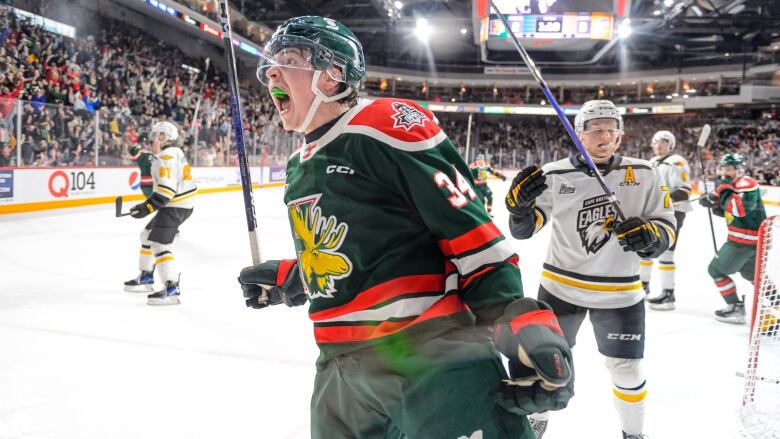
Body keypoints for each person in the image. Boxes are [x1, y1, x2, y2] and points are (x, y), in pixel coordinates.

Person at [236, 16, 574, 439]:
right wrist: (294, 277)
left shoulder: (385, 123)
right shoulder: (299, 162)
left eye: (288, 59)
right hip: (340, 368)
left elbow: (472, 236)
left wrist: (520, 317)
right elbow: (363, 250)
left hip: (431, 354)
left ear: (333, 75)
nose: (271, 73)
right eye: (269, 65)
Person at [505, 100, 677, 439]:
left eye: (613, 130)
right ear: (578, 134)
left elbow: (666, 224)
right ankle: (535, 425)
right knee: (545, 363)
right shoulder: (554, 174)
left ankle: (633, 433)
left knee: (626, 369)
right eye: (597, 129)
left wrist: (652, 235)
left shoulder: (643, 172)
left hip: (620, 292)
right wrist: (519, 209)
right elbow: (525, 230)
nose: (606, 136)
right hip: (560, 290)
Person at [123, 121, 197, 305]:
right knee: (146, 235)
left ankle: (171, 288)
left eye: (160, 135)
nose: (154, 139)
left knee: (158, 244)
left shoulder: (166, 157)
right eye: (154, 135)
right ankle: (146, 276)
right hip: (179, 204)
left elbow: (166, 190)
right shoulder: (174, 152)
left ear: (168, 138)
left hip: (176, 205)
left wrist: (146, 207)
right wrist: (146, 206)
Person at [699, 153, 767, 324]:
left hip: (743, 242)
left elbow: (738, 209)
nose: (725, 172)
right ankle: (777, 305)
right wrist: (715, 206)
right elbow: (731, 213)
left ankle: (736, 308)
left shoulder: (746, 183)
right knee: (753, 276)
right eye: (723, 168)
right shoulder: (735, 184)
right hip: (751, 241)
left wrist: (723, 191)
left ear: (739, 169)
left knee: (716, 270)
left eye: (729, 168)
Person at [640, 130, 692, 310]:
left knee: (666, 252)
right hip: (653, 212)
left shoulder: (677, 162)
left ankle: (668, 294)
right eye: (655, 142)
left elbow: (684, 191)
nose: (658, 146)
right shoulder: (652, 162)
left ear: (670, 145)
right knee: (644, 248)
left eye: (662, 142)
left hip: (673, 213)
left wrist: (659, 200)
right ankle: (643, 286)